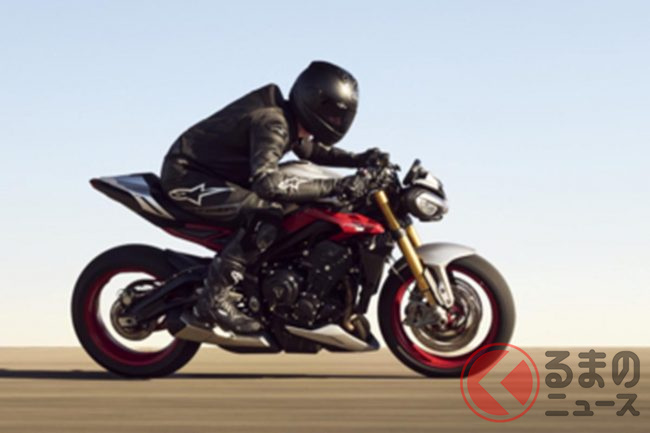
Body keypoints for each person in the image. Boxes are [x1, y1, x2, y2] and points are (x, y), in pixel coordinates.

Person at [160, 61, 387, 334]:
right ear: (313, 102)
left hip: (216, 176)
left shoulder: (289, 121)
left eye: (342, 117)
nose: (337, 122)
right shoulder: (274, 122)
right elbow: (267, 184)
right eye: (333, 114)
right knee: (265, 214)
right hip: (187, 176)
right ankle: (214, 299)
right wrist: (337, 186)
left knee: (291, 209)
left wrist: (361, 159)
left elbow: (311, 150)